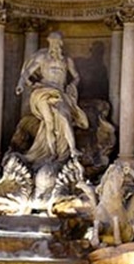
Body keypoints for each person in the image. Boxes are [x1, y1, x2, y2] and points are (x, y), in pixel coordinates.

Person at [15, 32, 89, 165]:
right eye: (53, 41)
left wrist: (72, 84)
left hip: (59, 92)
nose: (56, 44)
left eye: (58, 42)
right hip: (43, 91)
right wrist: (22, 84)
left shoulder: (67, 60)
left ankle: (72, 149)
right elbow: (27, 72)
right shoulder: (42, 57)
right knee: (49, 122)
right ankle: (52, 152)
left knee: (64, 116)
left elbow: (76, 76)